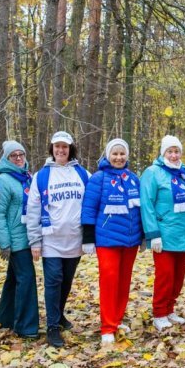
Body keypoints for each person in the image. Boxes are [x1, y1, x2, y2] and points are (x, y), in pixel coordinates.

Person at [26, 131, 90, 347]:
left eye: (65, 147)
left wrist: (90, 238)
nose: (60, 150)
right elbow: (33, 210)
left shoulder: (83, 174)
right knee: (53, 281)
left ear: (71, 149)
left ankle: (59, 315)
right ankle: (52, 327)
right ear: (51, 149)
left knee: (66, 281)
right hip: (51, 240)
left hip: (75, 240)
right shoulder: (41, 176)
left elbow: (90, 207)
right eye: (57, 147)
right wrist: (35, 241)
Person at [81, 139, 144, 345]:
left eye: (122, 154)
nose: (118, 158)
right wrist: (88, 237)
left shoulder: (133, 178)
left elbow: (140, 209)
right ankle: (107, 327)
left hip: (130, 240)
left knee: (124, 282)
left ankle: (116, 320)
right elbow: (89, 208)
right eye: (115, 154)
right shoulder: (99, 178)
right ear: (108, 155)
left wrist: (142, 235)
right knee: (109, 281)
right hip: (107, 240)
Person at [140, 135, 185, 332]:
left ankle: (170, 308)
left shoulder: (184, 173)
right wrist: (152, 233)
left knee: (178, 277)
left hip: (183, 233)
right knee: (165, 276)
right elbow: (146, 204)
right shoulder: (153, 173)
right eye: (170, 151)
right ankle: (159, 312)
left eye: (177, 151)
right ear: (163, 153)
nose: (173, 155)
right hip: (163, 235)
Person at [0, 140, 39, 339]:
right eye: (14, 156)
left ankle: (6, 318)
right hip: (16, 240)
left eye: (21, 155)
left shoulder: (27, 177)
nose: (18, 158)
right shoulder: (3, 180)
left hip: (29, 236)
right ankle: (26, 327)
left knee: (14, 279)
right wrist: (4, 243)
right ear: (6, 158)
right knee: (26, 279)